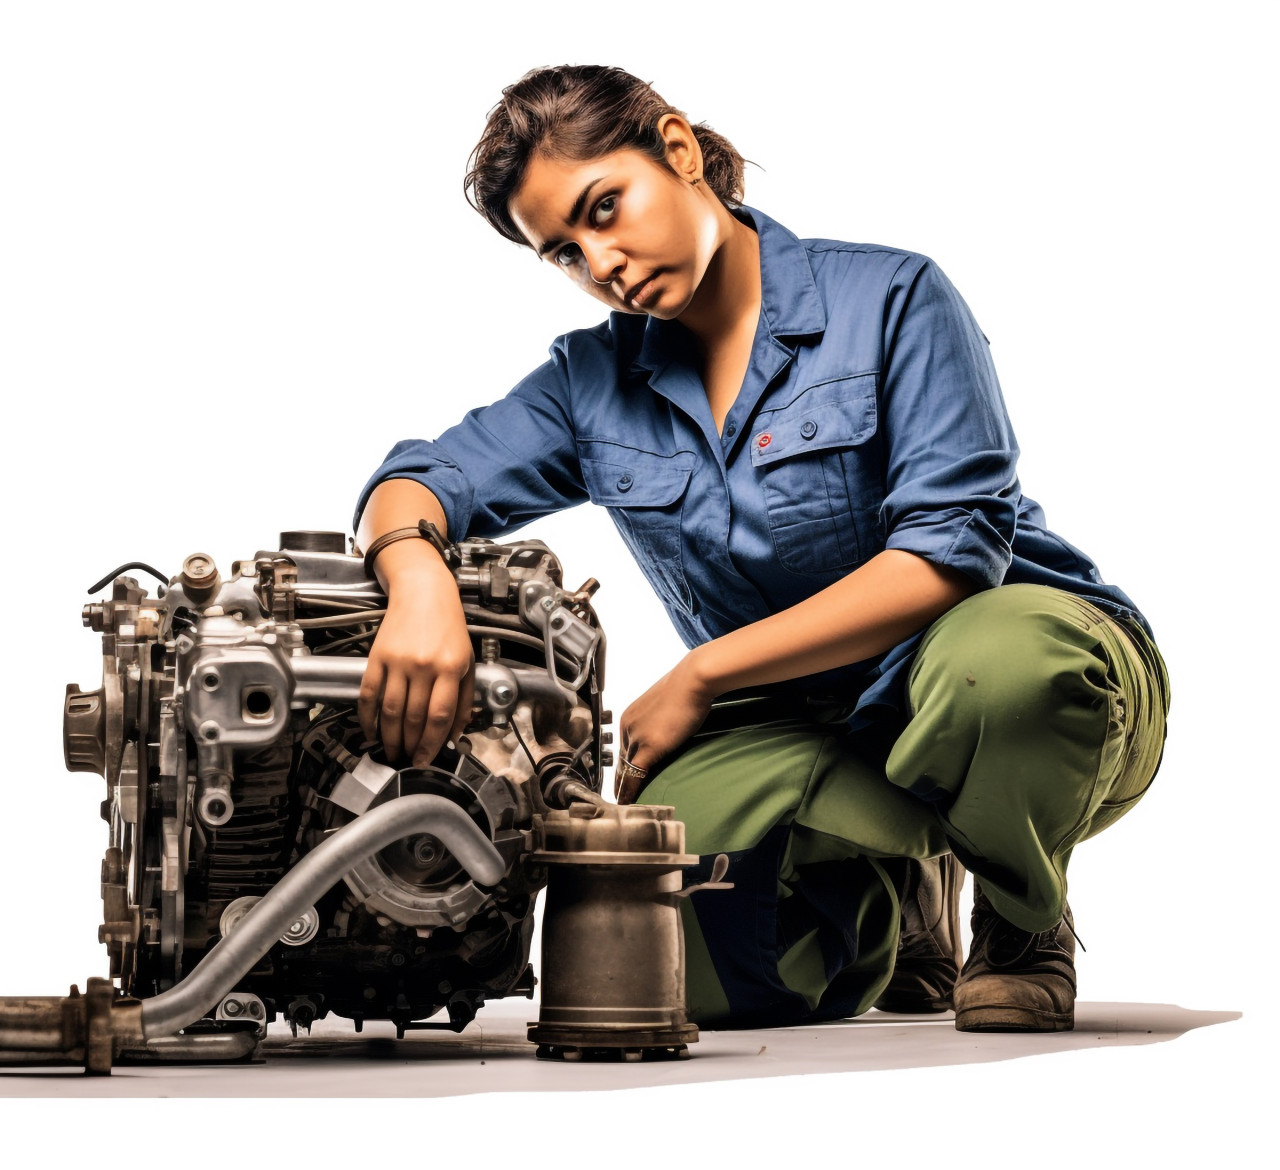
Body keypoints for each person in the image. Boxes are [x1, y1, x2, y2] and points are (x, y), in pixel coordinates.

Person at [353, 64, 1170, 1033]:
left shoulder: (893, 295)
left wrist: (701, 675)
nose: (600, 261)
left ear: (677, 149)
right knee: (651, 956)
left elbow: (948, 554)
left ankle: (1018, 912)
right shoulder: (588, 383)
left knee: (1000, 675)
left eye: (604, 207)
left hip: (1025, 676)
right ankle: (890, 892)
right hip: (806, 723)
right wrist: (416, 584)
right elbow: (419, 478)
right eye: (565, 251)